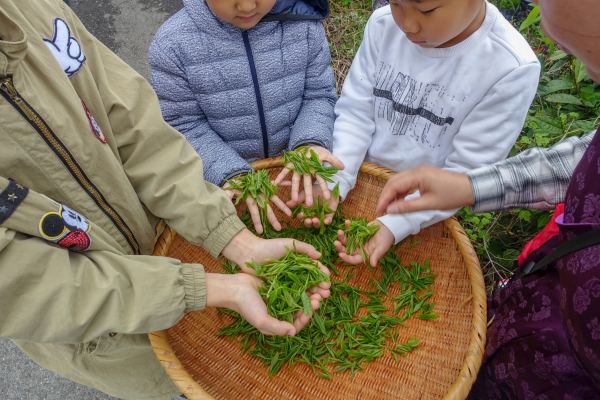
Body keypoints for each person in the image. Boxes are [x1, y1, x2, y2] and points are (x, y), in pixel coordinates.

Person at [0, 1, 331, 400]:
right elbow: (24, 284)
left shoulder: (31, 9)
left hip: (164, 249)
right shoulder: (177, 44)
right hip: (101, 331)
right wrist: (203, 288)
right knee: (171, 384)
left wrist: (234, 239)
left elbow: (133, 123)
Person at [371, 0, 600, 396]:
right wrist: (471, 186)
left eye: (593, 65)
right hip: (541, 310)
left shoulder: (508, 64)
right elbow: (584, 157)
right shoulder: (382, 29)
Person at [287, 0, 541, 268]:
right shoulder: (383, 25)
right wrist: (335, 181)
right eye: (396, 2)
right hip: (361, 177)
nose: (407, 24)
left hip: (426, 212)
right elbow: (355, 113)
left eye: (427, 10)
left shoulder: (510, 67)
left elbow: (464, 174)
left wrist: (398, 223)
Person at [148, 0, 344, 235]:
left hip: (293, 179)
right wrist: (229, 172)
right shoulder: (172, 44)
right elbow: (182, 124)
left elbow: (319, 94)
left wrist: (309, 142)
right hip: (225, 187)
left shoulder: (303, 24)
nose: (247, 6)